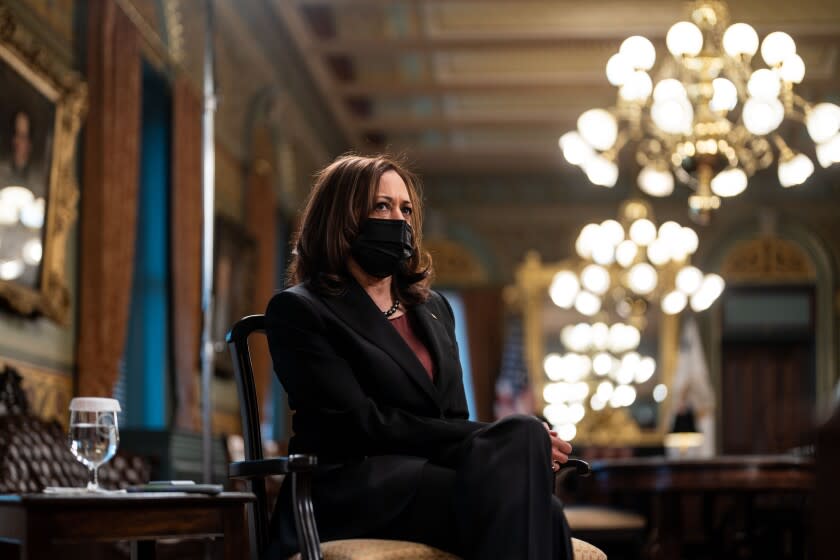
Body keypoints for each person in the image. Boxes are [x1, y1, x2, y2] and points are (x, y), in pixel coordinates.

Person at [264, 154, 575, 559]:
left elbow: (452, 419)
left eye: (406, 209)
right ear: (341, 217)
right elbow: (359, 424)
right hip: (354, 487)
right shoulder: (301, 310)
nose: (399, 220)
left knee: (539, 489)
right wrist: (495, 438)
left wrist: (506, 440)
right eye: (382, 206)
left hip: (429, 476)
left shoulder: (434, 309)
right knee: (532, 473)